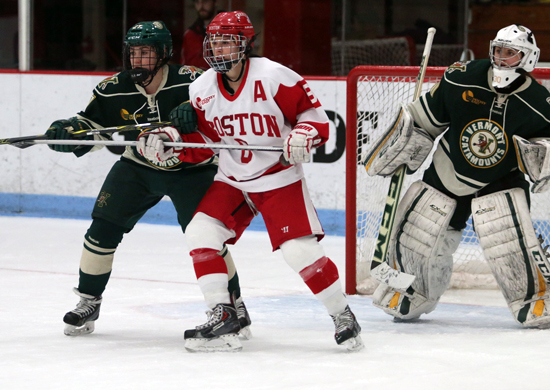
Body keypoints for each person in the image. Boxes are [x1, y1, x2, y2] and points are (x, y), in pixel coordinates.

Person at [140, 11, 363, 352]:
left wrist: (303, 133)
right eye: (214, 41)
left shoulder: (274, 76)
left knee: (298, 252)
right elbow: (203, 142)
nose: (218, 48)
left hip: (278, 177)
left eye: (227, 41)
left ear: (245, 44)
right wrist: (169, 140)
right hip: (232, 179)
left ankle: (342, 315)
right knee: (201, 232)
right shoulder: (201, 88)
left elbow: (314, 118)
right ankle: (224, 313)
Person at [44, 20, 251, 338]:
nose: (138, 60)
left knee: (208, 237)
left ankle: (233, 305)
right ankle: (89, 300)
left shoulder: (193, 80)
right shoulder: (113, 88)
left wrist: (194, 113)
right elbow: (91, 125)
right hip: (137, 168)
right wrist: (68, 131)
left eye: (146, 52)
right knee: (102, 228)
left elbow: (225, 105)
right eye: (134, 53)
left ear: (164, 53)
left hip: (191, 171)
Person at [365, 24, 550, 328]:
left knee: (507, 238)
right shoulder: (463, 76)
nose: (501, 59)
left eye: (510, 53)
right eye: (497, 51)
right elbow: (427, 117)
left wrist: (541, 154)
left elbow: (546, 144)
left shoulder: (539, 104)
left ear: (528, 58)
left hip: (499, 179)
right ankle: (411, 289)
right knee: (419, 231)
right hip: (448, 167)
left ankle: (534, 298)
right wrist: (405, 140)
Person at [181, 0, 218, 69]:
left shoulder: (227, 31)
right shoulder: (189, 34)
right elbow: (184, 65)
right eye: (197, 2)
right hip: (194, 78)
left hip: (219, 77)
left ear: (215, 2)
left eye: (205, 1)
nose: (201, 6)